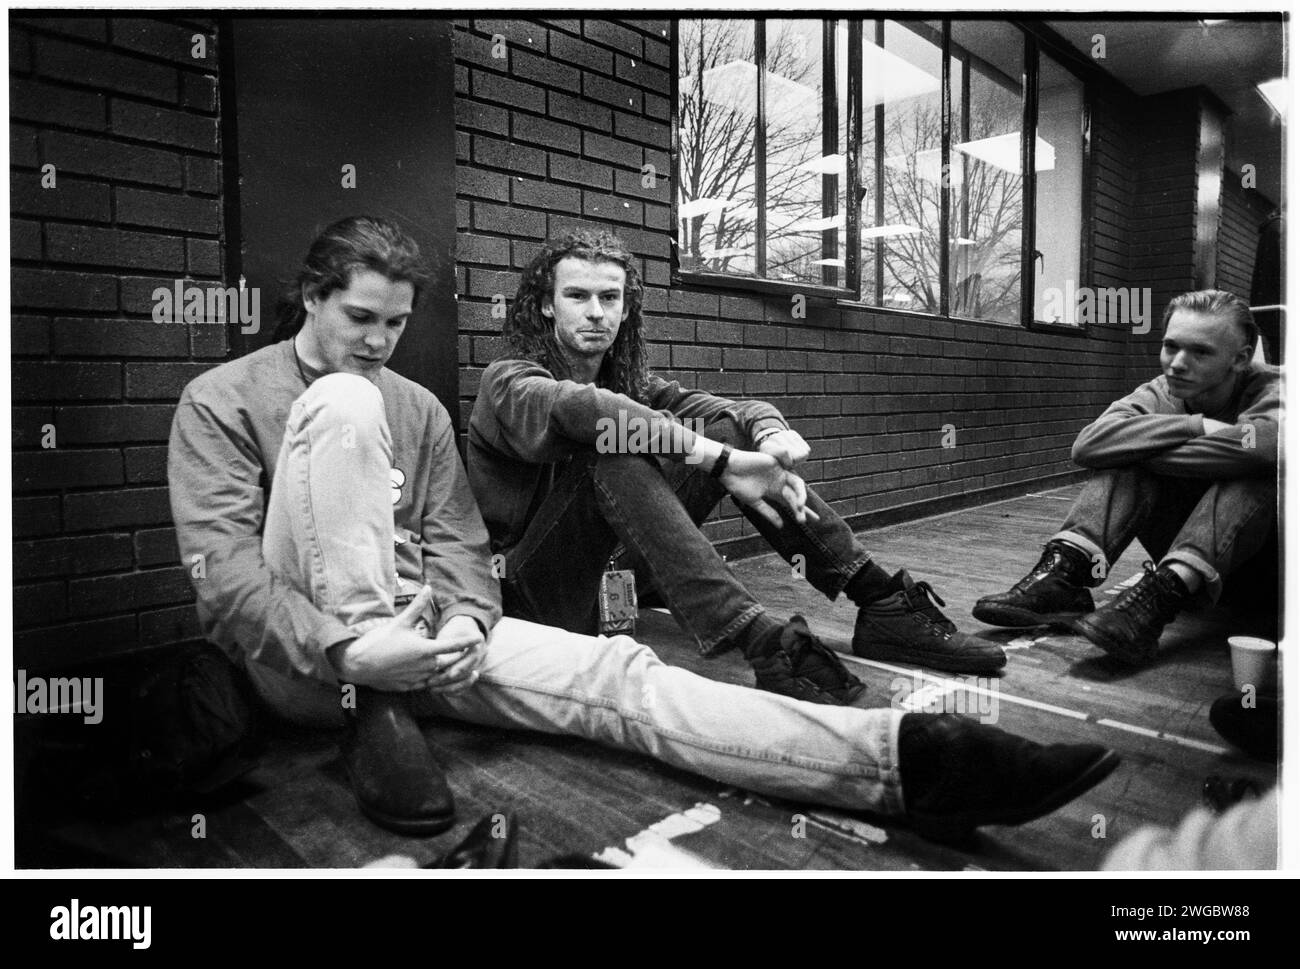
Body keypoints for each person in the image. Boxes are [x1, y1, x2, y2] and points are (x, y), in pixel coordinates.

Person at [168, 215, 1119, 843]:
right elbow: (229, 583)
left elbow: (454, 536)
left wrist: (462, 614)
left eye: (396, 323)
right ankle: (371, 703)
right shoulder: (223, 400)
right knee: (344, 403)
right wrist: (351, 649)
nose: (380, 342)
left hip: (434, 636)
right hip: (306, 660)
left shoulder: (415, 403)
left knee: (624, 677)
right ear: (310, 297)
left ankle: (898, 759)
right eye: (361, 318)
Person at [467, 231, 1005, 708]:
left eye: (610, 298)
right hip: (532, 594)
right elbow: (584, 411)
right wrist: (722, 463)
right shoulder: (509, 380)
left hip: (615, 573)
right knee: (613, 442)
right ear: (544, 306)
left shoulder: (634, 386)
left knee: (722, 428)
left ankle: (880, 600)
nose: (596, 313)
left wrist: (770, 438)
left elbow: (734, 413)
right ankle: (761, 642)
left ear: (627, 309)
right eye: (577, 296)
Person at [974, 290, 1279, 667]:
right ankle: (1065, 577)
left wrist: (1149, 447)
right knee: (1122, 456)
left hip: (1268, 575)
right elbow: (1087, 445)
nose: (1177, 364)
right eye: (1171, 346)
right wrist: (1196, 425)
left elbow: (1266, 448)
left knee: (1258, 473)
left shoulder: (1274, 387)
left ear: (1241, 359)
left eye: (1200, 352)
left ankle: (1163, 594)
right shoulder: (1160, 391)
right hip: (1192, 578)